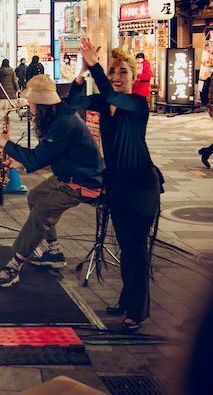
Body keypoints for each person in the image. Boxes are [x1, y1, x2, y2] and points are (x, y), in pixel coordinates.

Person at [68, 40, 162, 331]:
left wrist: (95, 66)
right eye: (112, 71)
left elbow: (110, 94)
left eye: (123, 71)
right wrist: (82, 72)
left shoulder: (136, 104)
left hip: (141, 186)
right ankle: (126, 299)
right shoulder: (103, 101)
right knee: (125, 245)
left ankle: (137, 309)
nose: (117, 76)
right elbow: (73, 103)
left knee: (135, 249)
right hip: (118, 186)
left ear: (134, 77)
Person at [0, 74, 104, 289]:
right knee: (36, 196)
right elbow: (44, 156)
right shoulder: (60, 111)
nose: (29, 107)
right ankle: (54, 252)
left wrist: (7, 144)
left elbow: (37, 158)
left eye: (31, 103)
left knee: (41, 212)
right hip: (67, 174)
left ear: (42, 105)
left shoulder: (62, 123)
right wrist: (22, 163)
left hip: (84, 181)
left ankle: (14, 266)